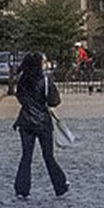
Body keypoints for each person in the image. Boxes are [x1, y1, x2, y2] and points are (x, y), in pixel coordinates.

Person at [13, 52, 69, 200]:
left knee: (26, 156)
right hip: (43, 121)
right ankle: (60, 184)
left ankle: (22, 188)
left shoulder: (22, 80)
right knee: (48, 156)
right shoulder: (45, 81)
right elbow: (54, 101)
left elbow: (19, 97)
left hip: (26, 121)